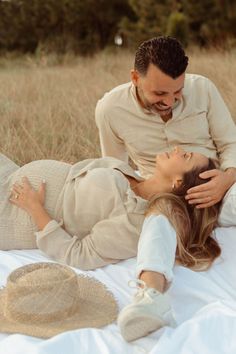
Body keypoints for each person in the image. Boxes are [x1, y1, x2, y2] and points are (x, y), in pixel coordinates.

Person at [1, 147, 217, 271]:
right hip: (12, 176)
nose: (178, 149)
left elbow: (81, 256)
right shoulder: (135, 176)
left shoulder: (136, 218)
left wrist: (35, 209)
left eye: (186, 156)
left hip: (12, 212)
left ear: (178, 183)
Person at [95, 36, 236, 208]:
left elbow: (230, 143)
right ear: (135, 78)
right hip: (160, 201)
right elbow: (115, 169)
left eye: (178, 91)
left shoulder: (203, 88)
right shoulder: (110, 109)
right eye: (159, 94)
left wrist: (228, 179)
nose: (169, 102)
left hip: (224, 189)